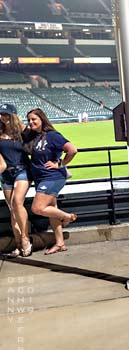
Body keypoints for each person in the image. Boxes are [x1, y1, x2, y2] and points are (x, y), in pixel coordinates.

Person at [24, 108, 78, 255]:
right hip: (41, 178)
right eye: (29, 120)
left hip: (53, 177)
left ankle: (67, 217)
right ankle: (60, 243)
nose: (31, 122)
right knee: (50, 210)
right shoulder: (33, 137)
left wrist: (60, 164)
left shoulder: (53, 136)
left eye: (34, 119)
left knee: (37, 208)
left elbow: (72, 150)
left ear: (42, 119)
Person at [0, 104, 32, 257]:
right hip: (6, 174)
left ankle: (25, 239)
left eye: (6, 114)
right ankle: (18, 243)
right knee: (13, 210)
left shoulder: (22, 132)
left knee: (17, 202)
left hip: (22, 170)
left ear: (13, 115)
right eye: (1, 114)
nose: (2, 117)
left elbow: (38, 140)